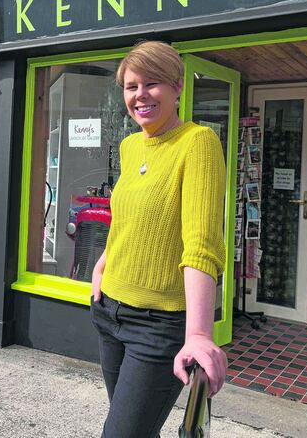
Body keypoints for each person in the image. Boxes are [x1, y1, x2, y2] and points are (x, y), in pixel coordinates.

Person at [90, 41, 228, 438]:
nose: (140, 95)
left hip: (158, 326)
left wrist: (199, 333)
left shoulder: (198, 142)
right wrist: (102, 265)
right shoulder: (130, 146)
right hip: (108, 312)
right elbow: (127, 218)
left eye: (152, 83)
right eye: (131, 86)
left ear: (178, 86)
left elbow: (201, 245)